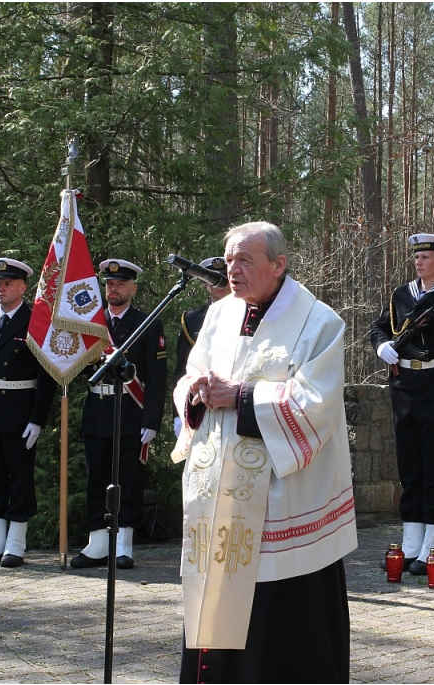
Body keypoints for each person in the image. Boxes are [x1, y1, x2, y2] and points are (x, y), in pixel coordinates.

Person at [172, 221, 357, 682]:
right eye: (229, 259)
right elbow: (190, 376)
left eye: (245, 260)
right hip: (220, 497)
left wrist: (236, 396)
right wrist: (194, 391)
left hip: (284, 502)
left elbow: (314, 407)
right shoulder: (219, 314)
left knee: (281, 629)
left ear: (279, 264)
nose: (232, 269)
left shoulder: (319, 323)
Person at [369, 233, 434, 575]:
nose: (419, 262)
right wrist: (382, 345)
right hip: (404, 388)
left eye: (427, 256)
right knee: (409, 466)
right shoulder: (401, 295)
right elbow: (378, 328)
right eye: (417, 257)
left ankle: (432, 541)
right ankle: (410, 538)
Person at [70, 259, 167, 570]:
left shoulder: (147, 322)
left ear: (133, 288)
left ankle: (123, 545)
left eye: (121, 283)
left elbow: (157, 377)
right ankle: (98, 544)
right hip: (98, 411)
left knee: (128, 479)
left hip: (130, 412)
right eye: (110, 284)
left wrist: (151, 420)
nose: (114, 288)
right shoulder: (93, 324)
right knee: (96, 477)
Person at [0, 258, 55, 568]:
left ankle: (16, 542)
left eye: (7, 284)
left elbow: (46, 376)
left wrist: (37, 419)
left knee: (19, 475)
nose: (0, 289)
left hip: (19, 411)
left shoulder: (36, 321)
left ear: (22, 287)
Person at [172, 256, 229, 438]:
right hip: (199, 404)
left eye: (222, 278)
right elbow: (182, 369)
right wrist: (177, 414)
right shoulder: (191, 319)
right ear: (205, 284)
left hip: (232, 399)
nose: (217, 284)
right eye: (211, 279)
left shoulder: (248, 314)